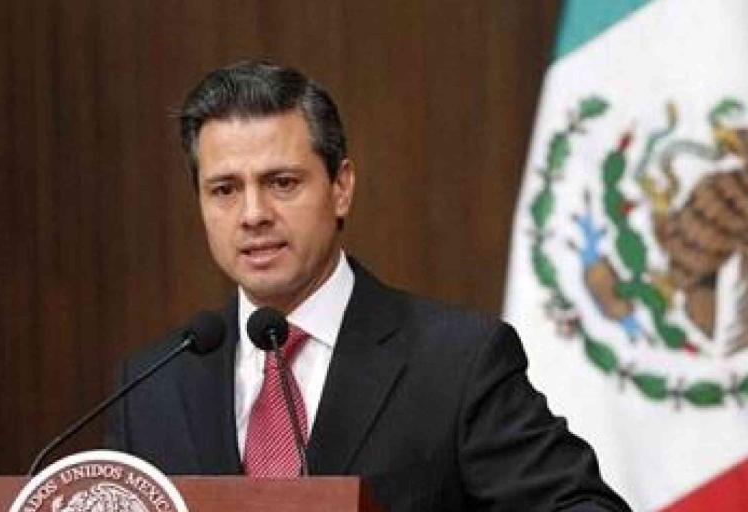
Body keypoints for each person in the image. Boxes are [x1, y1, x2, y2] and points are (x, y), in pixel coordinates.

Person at [106, 60, 631, 511]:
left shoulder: (455, 363)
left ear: (341, 188)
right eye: (224, 190)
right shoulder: (154, 388)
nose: (253, 214)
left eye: (281, 183)